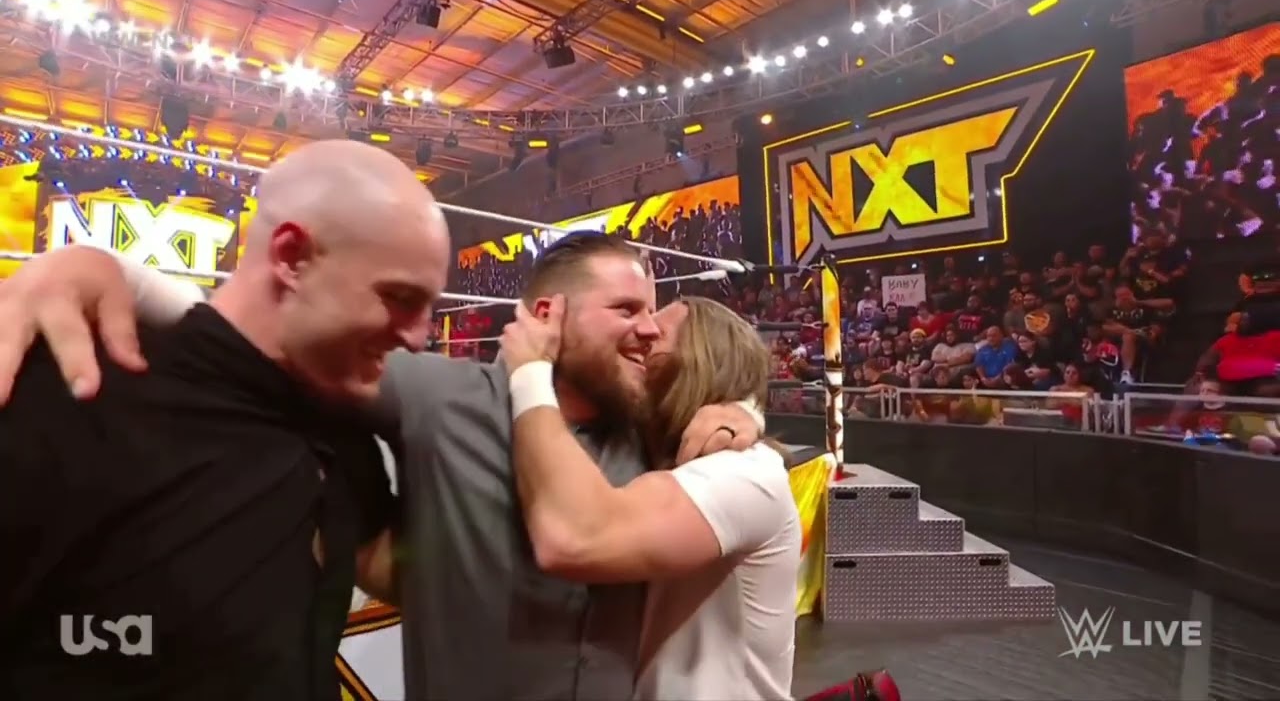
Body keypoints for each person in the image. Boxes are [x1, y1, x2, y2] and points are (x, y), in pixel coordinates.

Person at [0, 230, 763, 700]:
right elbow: (261, 345)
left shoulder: (653, 428)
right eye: (626, 310)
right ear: (546, 316)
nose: (648, 333)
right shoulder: (442, 395)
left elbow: (742, 437)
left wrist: (747, 412)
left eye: (651, 313)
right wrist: (94, 267)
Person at [0, 139, 449, 698]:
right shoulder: (79, 385)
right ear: (292, 257)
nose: (419, 336)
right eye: (400, 297)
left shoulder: (339, 425)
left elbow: (388, 562)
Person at [500, 294, 799, 700]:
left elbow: (576, 537)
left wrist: (530, 372)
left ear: (697, 361)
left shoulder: (746, 471)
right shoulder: (644, 455)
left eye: (656, 336)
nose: (640, 337)